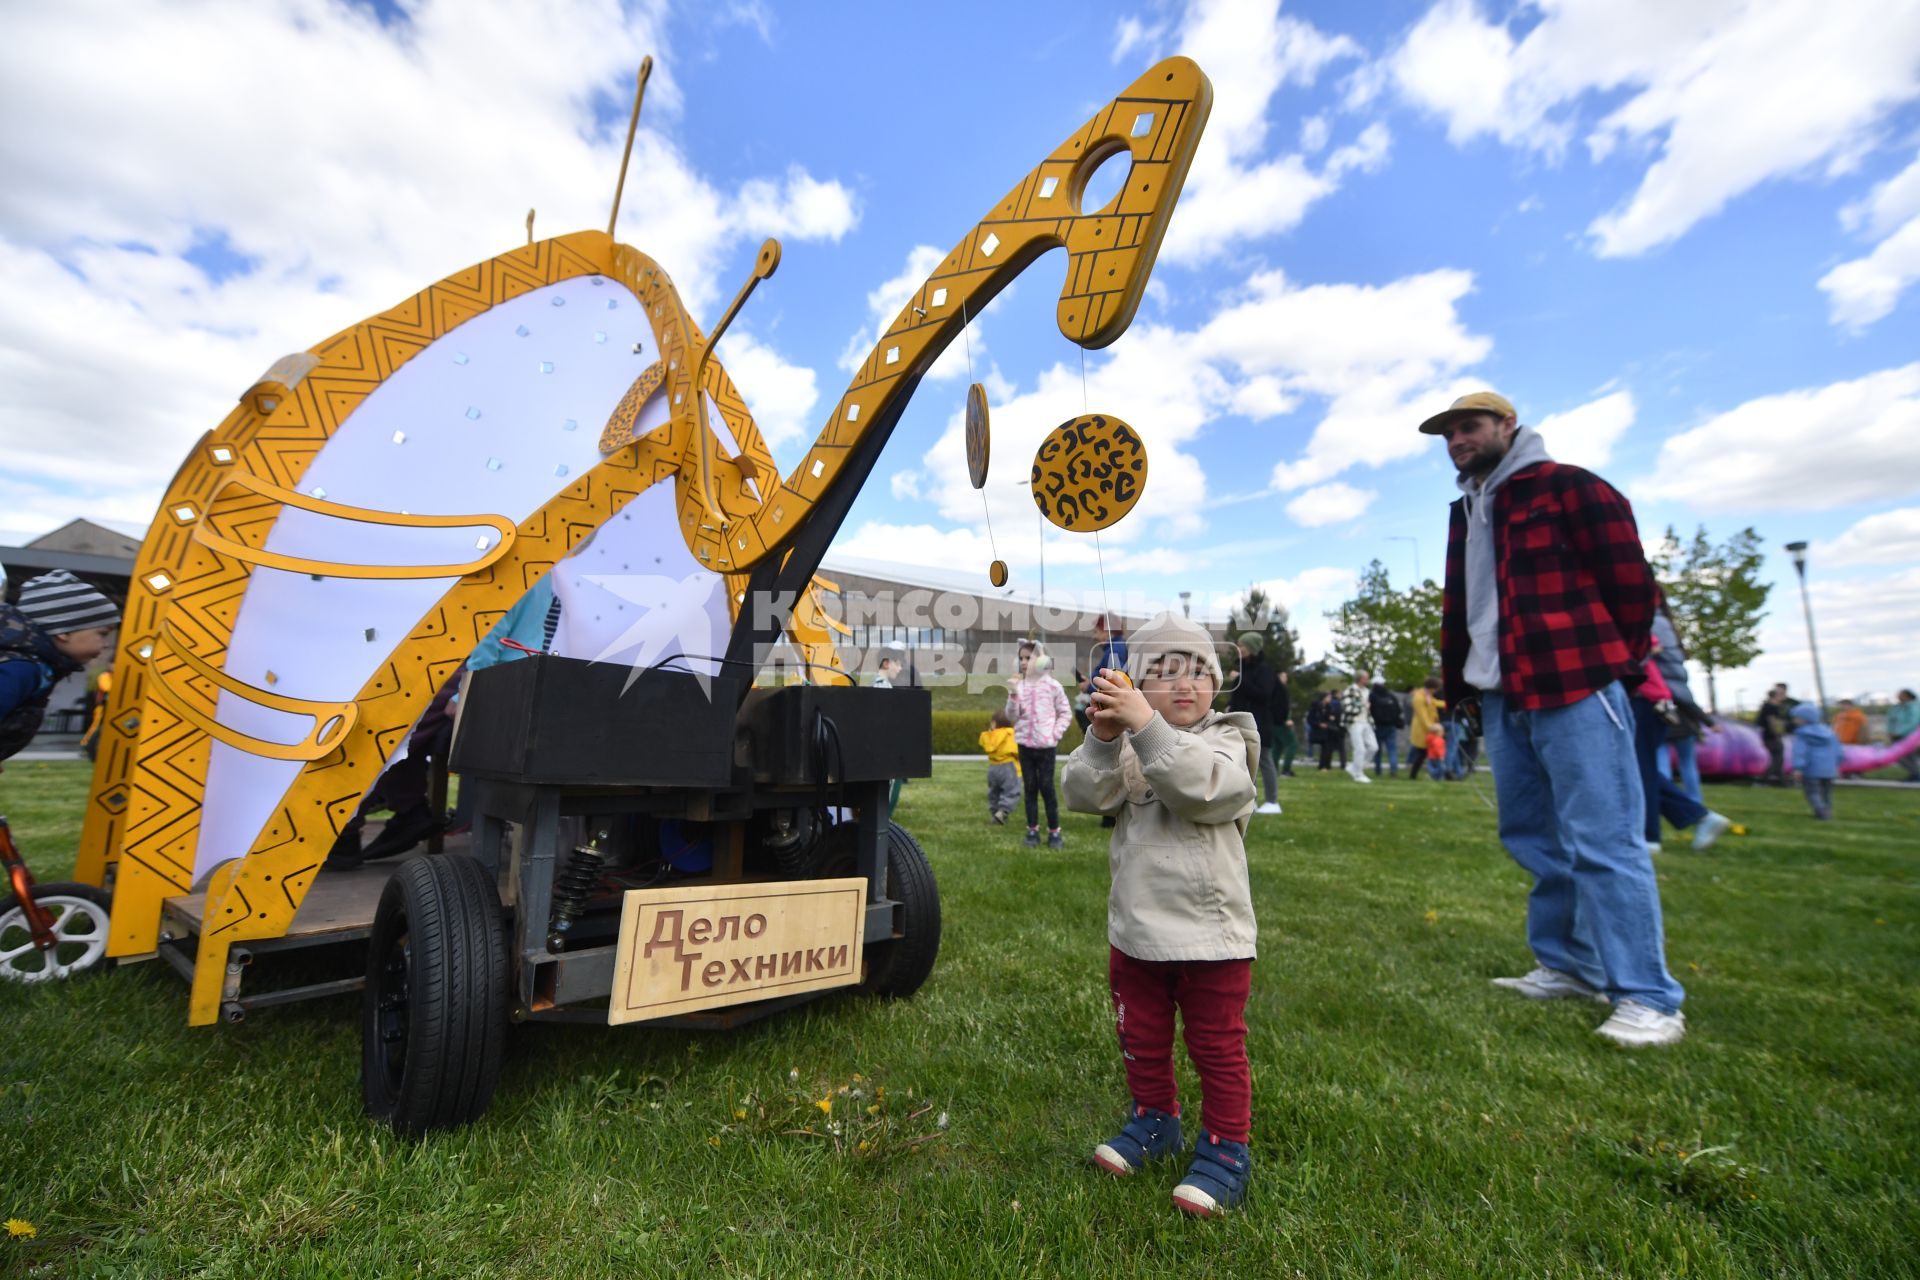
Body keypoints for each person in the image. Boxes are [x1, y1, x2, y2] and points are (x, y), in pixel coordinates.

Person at [1425, 389, 1685, 1048]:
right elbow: (1468, 609)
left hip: (1574, 686)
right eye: (1449, 434)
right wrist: (1465, 684)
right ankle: (1569, 966)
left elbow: (1633, 588)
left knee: (1603, 840)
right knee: (1535, 839)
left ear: (1508, 425)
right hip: (1500, 695)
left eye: (1470, 427)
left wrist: (1610, 663)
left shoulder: (1569, 487)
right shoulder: (1468, 510)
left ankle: (1649, 998)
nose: (1458, 441)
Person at [1059, 611, 1261, 1217]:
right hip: (1137, 934)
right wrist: (1100, 736)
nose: (1184, 685)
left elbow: (1209, 790)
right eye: (1164, 673)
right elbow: (1081, 793)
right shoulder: (1125, 746)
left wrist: (1144, 727)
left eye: (1198, 672)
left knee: (1216, 1045)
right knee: (1141, 1037)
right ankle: (1155, 1121)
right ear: (1136, 686)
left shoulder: (1228, 737)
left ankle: (1227, 1149)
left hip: (1212, 939)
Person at [0, 571, 119, 768]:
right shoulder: (21, 668)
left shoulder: (34, 665)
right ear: (64, 632)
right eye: (102, 634)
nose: (106, 645)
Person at [1630, 638, 1732, 854]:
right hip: (1647, 698)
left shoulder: (1624, 615)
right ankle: (1697, 817)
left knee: (1640, 769)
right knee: (1637, 768)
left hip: (1643, 699)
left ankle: (1650, 836)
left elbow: (1653, 644)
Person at [1006, 638, 1072, 849]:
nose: (1024, 662)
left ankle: (1054, 832)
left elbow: (1065, 713)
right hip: (1025, 746)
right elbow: (1012, 717)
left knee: (1046, 787)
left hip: (1046, 748)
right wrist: (1013, 694)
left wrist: (1054, 734)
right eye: (1021, 658)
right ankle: (1032, 830)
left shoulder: (1053, 686)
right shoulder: (1020, 687)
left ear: (1042, 660)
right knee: (1030, 788)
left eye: (1029, 658)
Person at [1650, 607, 1708, 803]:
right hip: (1683, 711)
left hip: (1662, 705)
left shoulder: (1651, 625)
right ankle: (1695, 802)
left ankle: (1668, 802)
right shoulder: (1669, 629)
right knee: (1687, 762)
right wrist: (1706, 721)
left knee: (1660, 757)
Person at [1228, 633, 1281, 814]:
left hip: (1260, 723)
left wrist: (1239, 680)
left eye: (1241, 645)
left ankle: (1272, 802)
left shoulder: (1264, 670)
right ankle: (1252, 800)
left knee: (1264, 760)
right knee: (1246, 762)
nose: (1238, 649)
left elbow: (1264, 695)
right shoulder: (1244, 670)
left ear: (1251, 647)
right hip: (1241, 723)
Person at [1790, 702, 1840, 820]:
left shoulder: (1802, 734)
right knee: (1826, 793)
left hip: (1811, 769)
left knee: (1812, 792)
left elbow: (1800, 751)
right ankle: (1827, 810)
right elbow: (1838, 750)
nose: (1794, 720)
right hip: (1829, 769)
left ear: (1804, 719)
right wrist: (1836, 764)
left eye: (1796, 718)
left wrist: (1798, 768)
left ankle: (1821, 812)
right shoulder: (1829, 732)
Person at [979, 708, 1021, 824]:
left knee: (994, 791)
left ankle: (995, 813)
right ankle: (1003, 811)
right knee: (1011, 791)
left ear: (994, 723)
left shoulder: (991, 736)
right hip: (1009, 767)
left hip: (993, 768)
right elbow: (1019, 751)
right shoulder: (1011, 734)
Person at [1342, 670, 1377, 784]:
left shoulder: (1367, 691)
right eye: (1366, 678)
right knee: (1360, 749)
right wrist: (1363, 706)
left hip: (1366, 721)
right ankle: (1358, 774)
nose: (1368, 680)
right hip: (1354, 722)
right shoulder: (1350, 690)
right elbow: (1347, 708)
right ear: (1360, 678)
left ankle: (1355, 767)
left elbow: (1367, 708)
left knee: (1373, 747)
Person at [1755, 684, 1791, 786]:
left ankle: (1782, 782)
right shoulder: (1771, 707)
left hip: (1770, 736)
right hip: (1772, 737)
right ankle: (1764, 780)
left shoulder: (1772, 706)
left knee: (1778, 760)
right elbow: (1772, 722)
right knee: (1777, 760)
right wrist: (1777, 734)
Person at [1407, 677, 1442, 781]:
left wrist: (1448, 704)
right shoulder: (1419, 698)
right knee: (1423, 753)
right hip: (1422, 730)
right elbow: (1422, 716)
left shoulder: (1427, 695)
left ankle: (1413, 775)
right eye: (1436, 689)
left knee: (1422, 754)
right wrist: (1432, 728)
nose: (1436, 691)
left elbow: (1435, 702)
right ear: (1432, 688)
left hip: (1428, 729)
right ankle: (1414, 775)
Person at [1369, 678, 1404, 777]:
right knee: (1392, 749)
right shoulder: (1391, 696)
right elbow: (1398, 710)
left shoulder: (1372, 696)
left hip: (1377, 726)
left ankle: (1378, 770)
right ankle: (1393, 769)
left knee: (1377, 750)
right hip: (1391, 726)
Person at [1270, 668, 1298, 778]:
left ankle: (1273, 770)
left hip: (1273, 723)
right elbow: (1281, 707)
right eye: (1284, 676)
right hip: (1281, 723)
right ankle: (1286, 770)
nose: (1286, 679)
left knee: (1277, 747)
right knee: (1292, 744)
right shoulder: (1279, 690)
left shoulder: (1272, 689)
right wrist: (1286, 719)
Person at [1888, 689, 1920, 783]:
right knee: (1903, 756)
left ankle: (1915, 775)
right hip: (1898, 735)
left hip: (1908, 736)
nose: (1898, 696)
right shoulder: (1898, 707)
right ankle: (1914, 774)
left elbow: (1912, 722)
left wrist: (1899, 732)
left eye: (1900, 694)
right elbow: (1891, 720)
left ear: (1907, 696)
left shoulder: (1914, 707)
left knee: (1905, 756)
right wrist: (1890, 732)